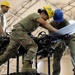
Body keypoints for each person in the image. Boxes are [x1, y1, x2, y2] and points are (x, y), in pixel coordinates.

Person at [0, 6, 57, 73]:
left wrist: (56, 32)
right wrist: (57, 31)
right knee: (33, 47)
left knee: (9, 54)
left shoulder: (38, 22)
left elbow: (47, 26)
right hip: (19, 31)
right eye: (47, 18)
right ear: (43, 13)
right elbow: (45, 23)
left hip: (15, 32)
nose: (46, 20)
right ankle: (26, 67)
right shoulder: (35, 15)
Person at [50, 9, 75, 75]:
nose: (58, 22)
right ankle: (55, 73)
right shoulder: (51, 24)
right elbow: (51, 35)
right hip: (60, 41)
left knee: (73, 52)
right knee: (56, 57)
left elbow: (70, 29)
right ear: (53, 18)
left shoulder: (65, 21)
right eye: (56, 21)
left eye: (59, 21)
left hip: (70, 38)